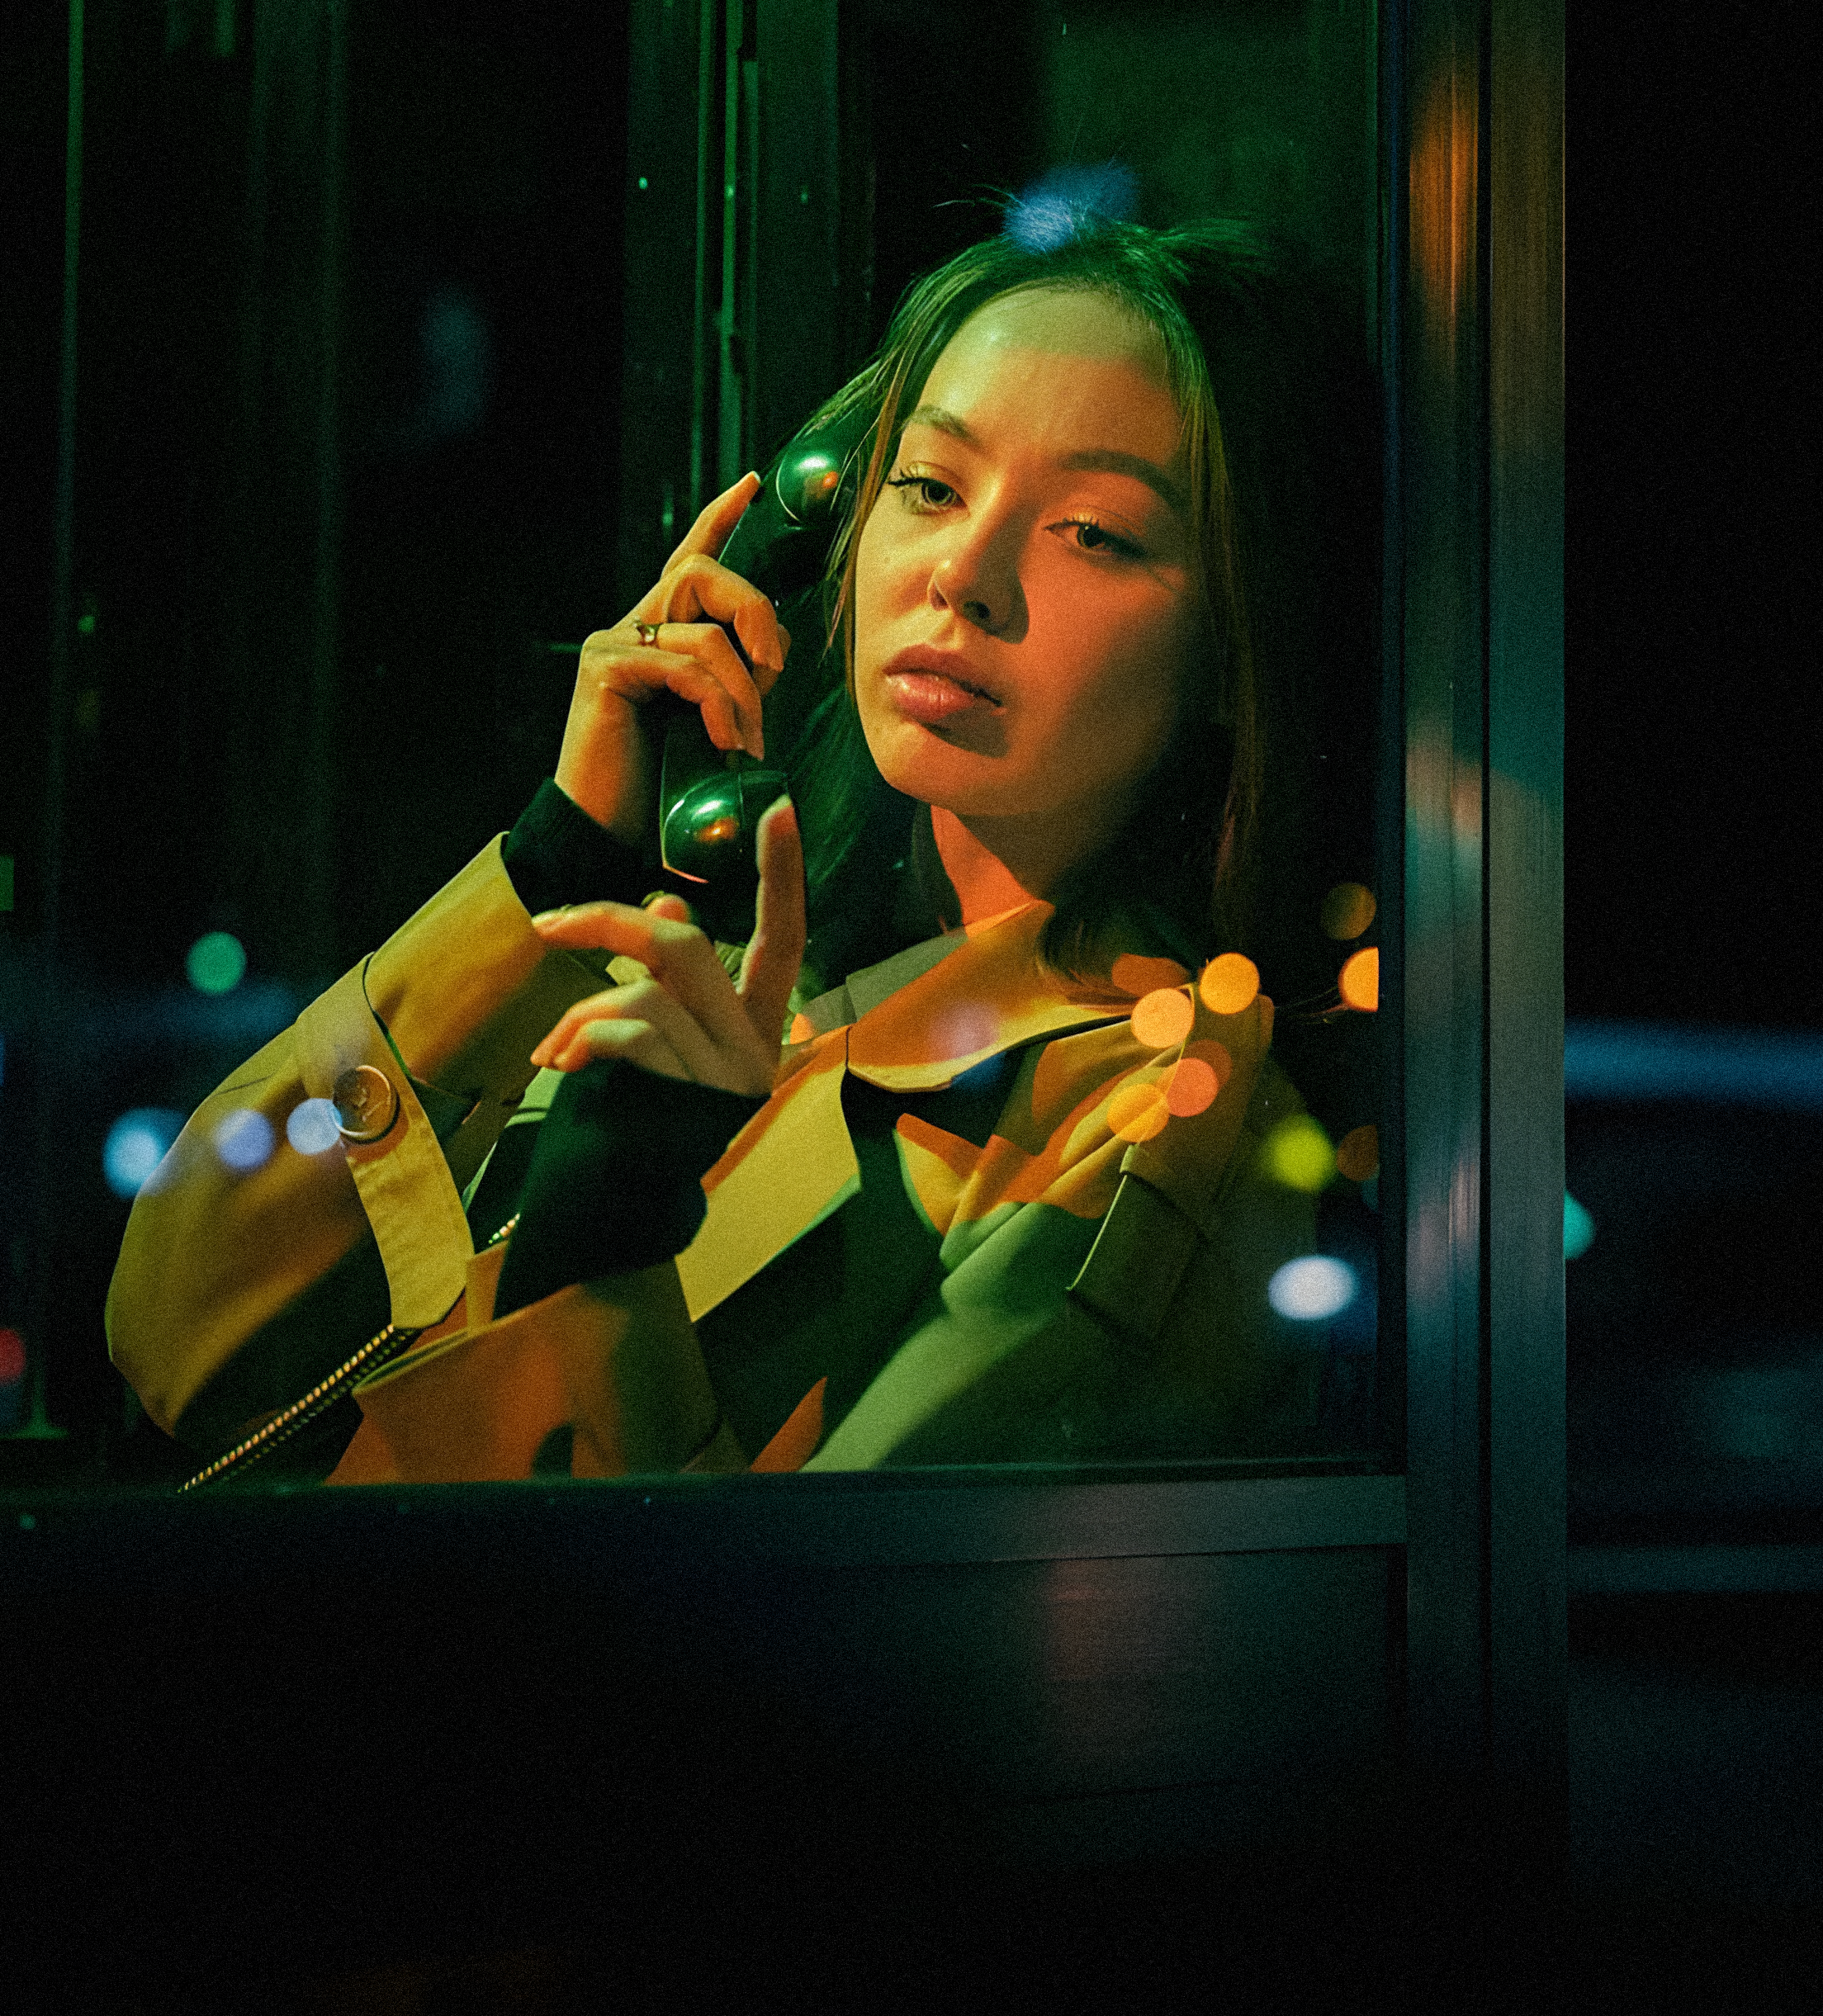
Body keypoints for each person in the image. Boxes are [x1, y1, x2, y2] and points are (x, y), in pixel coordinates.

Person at [107, 215, 1374, 1484]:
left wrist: (617, 1285)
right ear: (832, 517)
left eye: (1094, 532)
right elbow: (178, 1338)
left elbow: (810, 1650)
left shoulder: (1156, 1113)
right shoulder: (707, 965)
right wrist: (554, 865)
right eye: (928, 488)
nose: (966, 577)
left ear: (1229, 644)